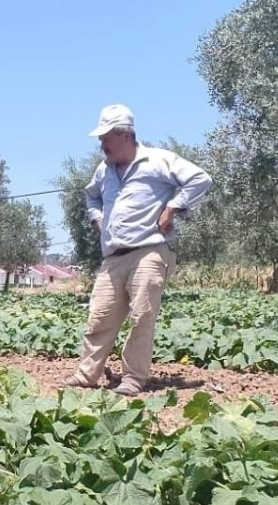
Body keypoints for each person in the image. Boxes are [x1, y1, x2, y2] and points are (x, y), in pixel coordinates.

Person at [60, 104, 213, 396]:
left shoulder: (158, 160)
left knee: (142, 317)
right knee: (99, 317)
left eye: (105, 137)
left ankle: (133, 378)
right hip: (113, 256)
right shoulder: (104, 170)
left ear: (123, 134)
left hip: (149, 250)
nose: (101, 144)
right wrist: (98, 218)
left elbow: (200, 179)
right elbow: (91, 196)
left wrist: (173, 208)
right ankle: (86, 376)